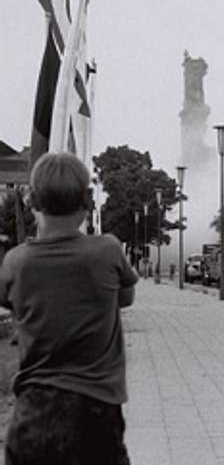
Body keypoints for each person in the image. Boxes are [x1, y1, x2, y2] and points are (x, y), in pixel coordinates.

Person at [0, 153, 138, 465]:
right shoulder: (108, 250)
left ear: (30, 199)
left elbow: (12, 302)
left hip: (33, 415)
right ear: (89, 201)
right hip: (96, 411)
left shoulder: (16, 262)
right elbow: (125, 298)